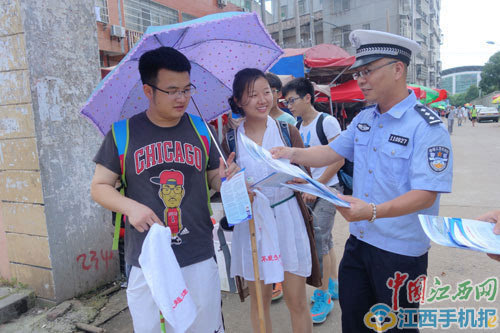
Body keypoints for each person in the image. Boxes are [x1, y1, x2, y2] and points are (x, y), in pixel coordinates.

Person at [271, 29, 453, 332]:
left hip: (401, 253)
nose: (360, 79)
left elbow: (426, 195)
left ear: (397, 70)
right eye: (359, 72)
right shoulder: (365, 118)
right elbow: (330, 151)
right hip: (359, 244)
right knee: (354, 322)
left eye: (368, 71)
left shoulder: (427, 127)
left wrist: (372, 211)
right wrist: (289, 152)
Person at [90, 47, 238, 333]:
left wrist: (225, 180)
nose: (182, 98)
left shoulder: (201, 130)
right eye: (172, 91)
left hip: (197, 253)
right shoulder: (122, 133)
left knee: (203, 327)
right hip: (148, 261)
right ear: (148, 90)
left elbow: (213, 180)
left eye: (186, 89)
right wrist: (131, 207)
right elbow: (99, 187)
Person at [223, 68, 317, 333]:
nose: (263, 100)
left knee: (297, 300)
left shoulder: (288, 132)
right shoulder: (231, 140)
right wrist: (233, 185)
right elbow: (229, 196)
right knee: (260, 304)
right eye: (252, 95)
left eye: (267, 92)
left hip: (288, 219)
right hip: (254, 224)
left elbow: (307, 175)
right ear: (238, 101)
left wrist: (300, 178)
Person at [281, 77, 344, 324]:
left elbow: (339, 158)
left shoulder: (327, 122)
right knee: (324, 239)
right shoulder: (296, 126)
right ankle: (333, 283)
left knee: (318, 236)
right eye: (286, 102)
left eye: (292, 100)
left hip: (328, 189)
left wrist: (317, 187)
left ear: (308, 97)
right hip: (307, 190)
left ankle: (323, 295)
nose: (289, 105)